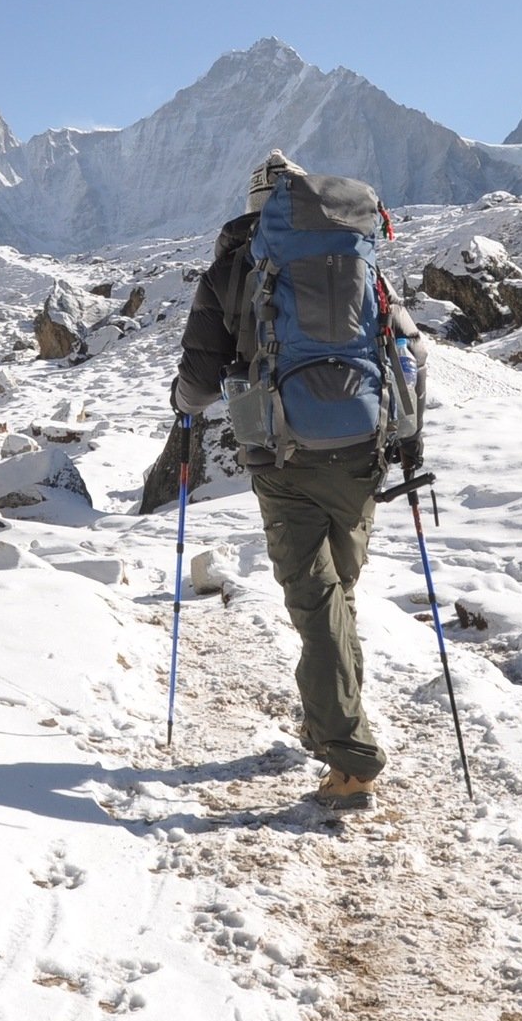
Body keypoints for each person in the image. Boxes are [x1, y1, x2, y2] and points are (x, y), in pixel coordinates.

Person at [169, 150, 425, 806]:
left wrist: (184, 408)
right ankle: (330, 721)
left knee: (315, 605)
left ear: (257, 203)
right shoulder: (356, 257)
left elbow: (199, 383)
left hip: (286, 460)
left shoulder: (235, 265)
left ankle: (351, 758)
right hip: (364, 449)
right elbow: (408, 348)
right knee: (335, 595)